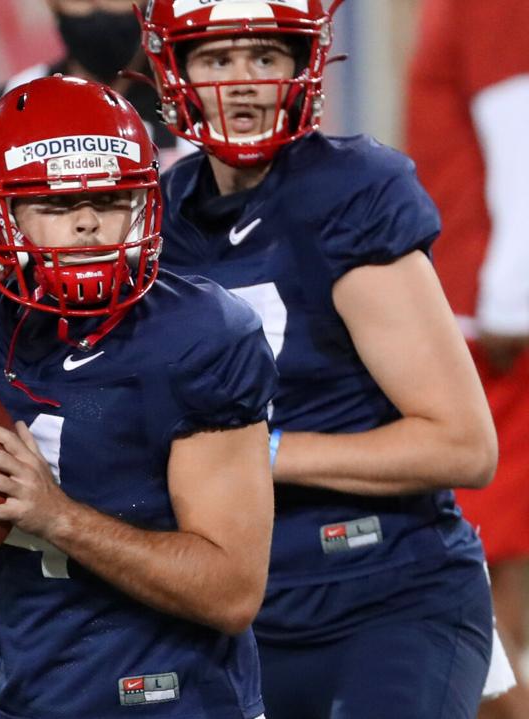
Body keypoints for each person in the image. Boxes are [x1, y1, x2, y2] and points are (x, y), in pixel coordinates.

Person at [0, 75, 278, 718]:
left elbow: (231, 591)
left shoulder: (204, 336)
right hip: (28, 703)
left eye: (109, 200)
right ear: (1, 213)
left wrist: (57, 515)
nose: (86, 222)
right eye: (55, 205)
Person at [138, 1, 500, 716]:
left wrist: (260, 452)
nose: (242, 82)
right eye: (217, 59)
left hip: (385, 590)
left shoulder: (349, 194)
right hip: (235, 613)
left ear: (301, 68)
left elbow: (462, 444)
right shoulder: (157, 219)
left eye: (265, 58)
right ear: (175, 71)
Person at [406, 2, 529, 715]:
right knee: (491, 603)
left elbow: (519, 138)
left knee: (470, 611)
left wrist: (510, 306)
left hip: (485, 327)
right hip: (481, 312)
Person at [0, 0, 191, 286]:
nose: (98, 10)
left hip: (175, 302)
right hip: (41, 318)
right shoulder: (4, 106)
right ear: (52, 5)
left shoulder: (195, 98)